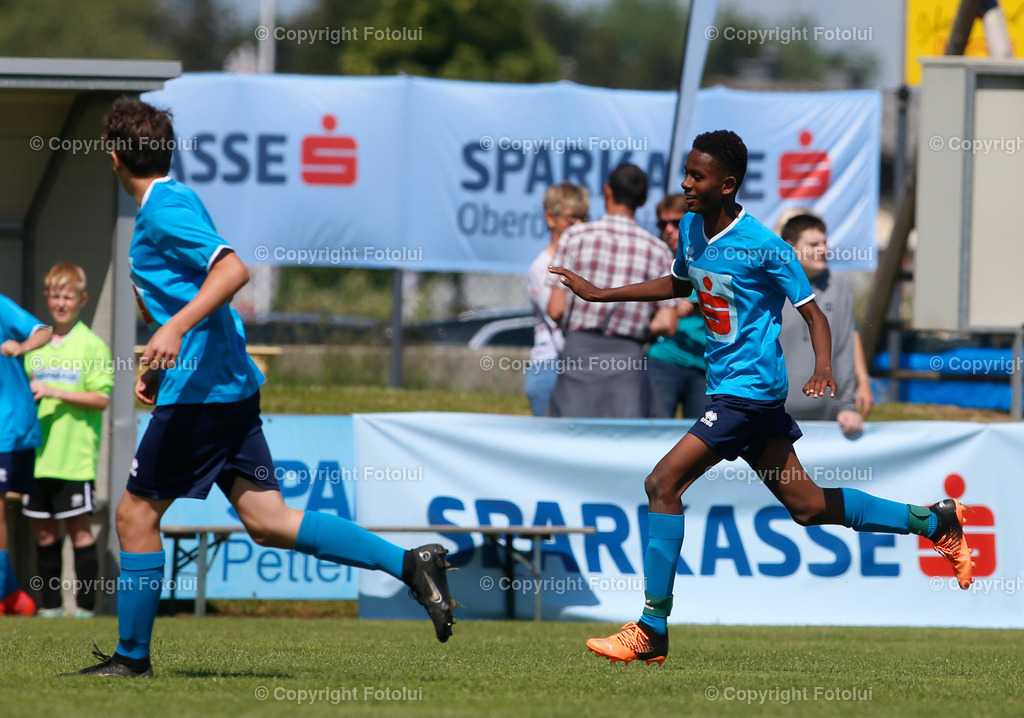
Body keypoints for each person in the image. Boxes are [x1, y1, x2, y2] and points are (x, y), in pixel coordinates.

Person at [549, 129, 974, 665]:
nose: (685, 183)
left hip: (744, 398)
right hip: (738, 395)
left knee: (662, 483)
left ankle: (652, 627)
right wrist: (601, 294)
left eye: (697, 176)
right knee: (810, 506)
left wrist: (823, 366)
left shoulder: (766, 247)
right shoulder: (689, 229)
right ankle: (936, 521)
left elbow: (814, 313)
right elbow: (681, 284)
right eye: (685, 173)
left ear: (727, 184)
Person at [64, 99, 454, 678]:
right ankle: (411, 563)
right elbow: (201, 290)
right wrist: (161, 360)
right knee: (268, 519)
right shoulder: (175, 200)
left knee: (133, 517)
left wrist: (172, 328)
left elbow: (232, 270)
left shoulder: (163, 210)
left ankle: (131, 659)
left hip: (204, 397)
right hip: (223, 387)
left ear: (115, 158)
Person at [545, 164, 678, 418]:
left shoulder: (575, 237)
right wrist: (635, 326)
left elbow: (556, 308)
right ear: (643, 200)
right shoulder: (658, 250)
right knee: (622, 442)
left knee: (570, 440)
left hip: (578, 356)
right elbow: (667, 323)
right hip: (628, 360)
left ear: (606, 191)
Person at [22, 263, 114, 617]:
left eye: (69, 296)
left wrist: (52, 390)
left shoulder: (92, 345)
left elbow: (101, 398)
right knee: (44, 535)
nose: (62, 302)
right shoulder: (35, 344)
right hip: (36, 456)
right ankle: (51, 610)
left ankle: (87, 609)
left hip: (74, 458)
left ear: (82, 299)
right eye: (56, 295)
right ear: (47, 298)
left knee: (80, 533)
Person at [777, 212, 863, 437]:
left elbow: (844, 348)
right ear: (790, 247)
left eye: (825, 242)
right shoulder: (768, 285)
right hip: (771, 416)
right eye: (813, 244)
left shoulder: (839, 283)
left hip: (827, 422)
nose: (824, 249)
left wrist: (847, 406)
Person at [0, 294, 52, 616]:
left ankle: (5, 593)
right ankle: (11, 595)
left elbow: (42, 331)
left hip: (7, 426)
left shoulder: (2, 306)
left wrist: (20, 347)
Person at [526, 183, 589, 416]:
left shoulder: (583, 261)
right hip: (550, 364)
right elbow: (559, 314)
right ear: (550, 218)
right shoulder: (541, 267)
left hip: (581, 364)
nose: (579, 226)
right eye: (571, 219)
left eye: (584, 218)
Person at [647, 194, 707, 418]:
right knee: (654, 433)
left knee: (704, 441)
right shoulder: (655, 259)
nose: (669, 229)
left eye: (676, 222)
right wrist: (671, 311)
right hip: (663, 359)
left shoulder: (712, 258)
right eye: (663, 224)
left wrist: (701, 308)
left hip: (704, 363)